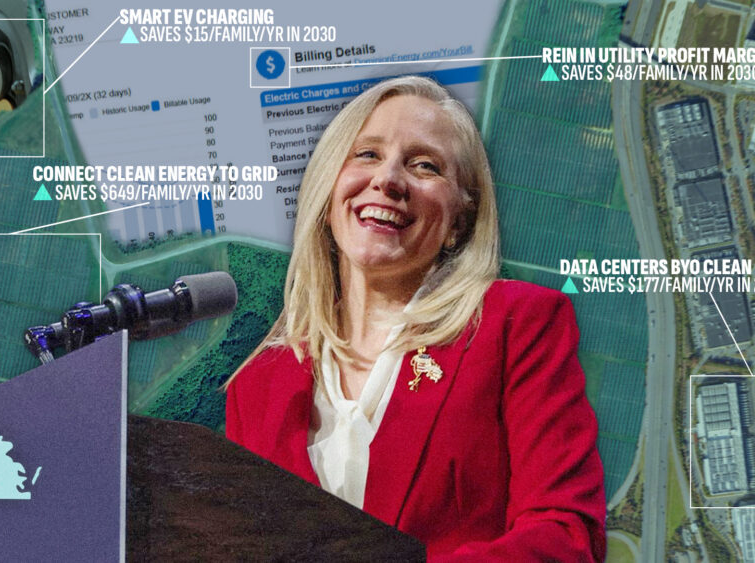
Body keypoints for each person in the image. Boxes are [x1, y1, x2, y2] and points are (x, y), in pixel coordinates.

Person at [226, 76, 606, 561]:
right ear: (329, 186)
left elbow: (565, 534)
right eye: (366, 154)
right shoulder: (256, 387)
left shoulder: (515, 325)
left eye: (424, 165)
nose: (387, 180)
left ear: (460, 220)